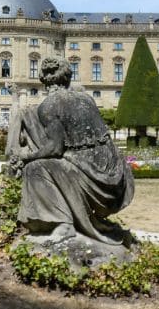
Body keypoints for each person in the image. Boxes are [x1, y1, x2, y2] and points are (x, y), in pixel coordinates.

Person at [11, 57, 135, 245]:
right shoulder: (86, 98)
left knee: (34, 169)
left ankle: (64, 224)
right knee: (52, 165)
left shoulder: (49, 105)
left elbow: (55, 149)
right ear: (68, 76)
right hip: (116, 174)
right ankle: (83, 218)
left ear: (43, 79)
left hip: (93, 177)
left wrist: (26, 155)